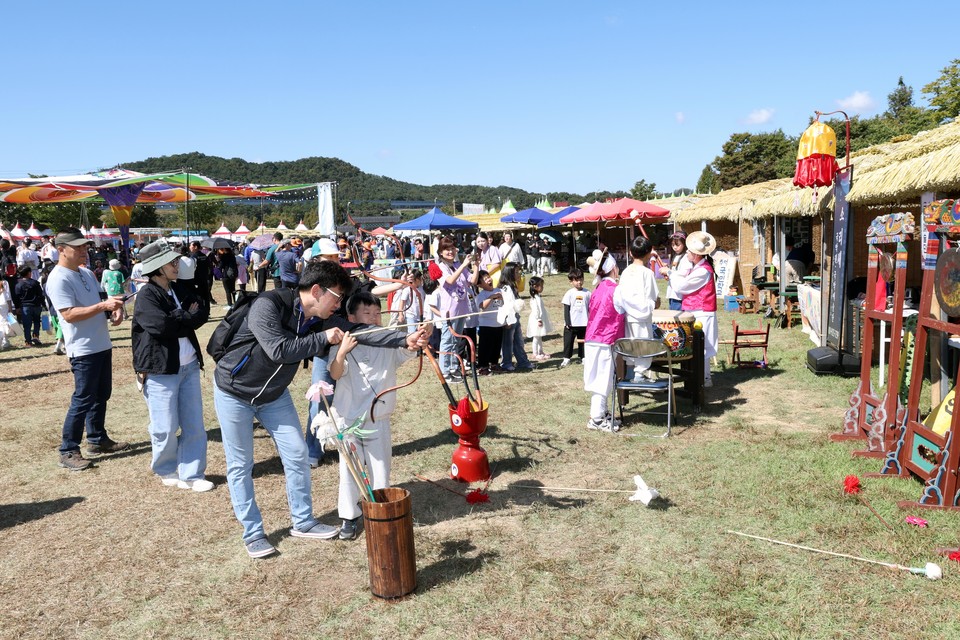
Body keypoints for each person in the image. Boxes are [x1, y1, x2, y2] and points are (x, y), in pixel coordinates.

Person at [213, 259, 426, 558]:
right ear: (316, 290)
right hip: (234, 393)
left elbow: (361, 332)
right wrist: (322, 338)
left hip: (274, 395)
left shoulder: (322, 318)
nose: (339, 306)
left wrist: (404, 338)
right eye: (337, 298)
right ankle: (253, 534)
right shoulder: (268, 305)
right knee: (240, 466)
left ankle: (302, 522)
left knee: (298, 454)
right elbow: (278, 349)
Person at [329, 291, 419, 540]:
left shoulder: (388, 340)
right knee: (350, 471)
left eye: (377, 313)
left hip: (378, 418)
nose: (373, 318)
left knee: (380, 469)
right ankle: (349, 516)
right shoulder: (343, 342)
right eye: (366, 313)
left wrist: (415, 340)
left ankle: (380, 512)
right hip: (348, 419)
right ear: (351, 318)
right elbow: (335, 373)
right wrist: (342, 351)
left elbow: (407, 349)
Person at [132, 240, 212, 491]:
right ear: (157, 268)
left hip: (188, 366)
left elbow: (202, 313)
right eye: (172, 262)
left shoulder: (178, 289)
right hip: (160, 369)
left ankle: (193, 473)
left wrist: (182, 317)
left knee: (194, 424)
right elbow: (161, 327)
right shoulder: (146, 296)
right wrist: (184, 316)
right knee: (165, 426)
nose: (177, 265)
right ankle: (166, 468)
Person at [46, 228, 128, 471]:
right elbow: (69, 314)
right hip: (82, 349)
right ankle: (68, 449)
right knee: (83, 399)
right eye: (78, 247)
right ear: (61, 249)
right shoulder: (58, 278)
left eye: (85, 246)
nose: (84, 251)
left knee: (101, 394)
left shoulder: (86, 273)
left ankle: (96, 438)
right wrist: (103, 305)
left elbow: (98, 301)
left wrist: (113, 310)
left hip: (101, 343)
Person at [666, 231, 718, 387]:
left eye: (689, 250)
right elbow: (683, 277)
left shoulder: (703, 270)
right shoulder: (698, 267)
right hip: (695, 312)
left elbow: (683, 286)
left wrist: (670, 273)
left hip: (702, 312)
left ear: (696, 254)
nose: (687, 252)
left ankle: (703, 380)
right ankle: (701, 379)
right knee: (698, 347)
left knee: (701, 348)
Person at [582, 249, 624, 432]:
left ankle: (602, 412)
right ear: (613, 268)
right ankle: (597, 418)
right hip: (605, 338)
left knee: (603, 377)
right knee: (603, 378)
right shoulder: (614, 289)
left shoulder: (598, 288)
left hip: (594, 337)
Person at [613, 237, 660, 383]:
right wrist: (656, 303)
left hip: (628, 315)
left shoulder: (626, 271)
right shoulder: (648, 273)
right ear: (648, 253)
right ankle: (639, 374)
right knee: (643, 345)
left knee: (631, 343)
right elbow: (654, 297)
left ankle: (630, 373)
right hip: (643, 315)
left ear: (631, 253)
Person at [435, 236, 478, 382]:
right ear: (441, 252)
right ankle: (444, 371)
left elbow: (472, 280)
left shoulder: (457, 264)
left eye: (453, 248)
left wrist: (476, 265)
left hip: (461, 307)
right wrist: (463, 265)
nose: (451, 251)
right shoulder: (440, 266)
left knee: (457, 340)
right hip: (449, 310)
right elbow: (450, 280)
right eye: (447, 249)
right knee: (447, 339)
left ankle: (454, 367)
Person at [498, 262, 533, 372]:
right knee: (508, 342)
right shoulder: (505, 288)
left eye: (519, 272)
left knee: (518, 341)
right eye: (516, 272)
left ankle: (523, 361)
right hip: (509, 317)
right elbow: (507, 305)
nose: (519, 274)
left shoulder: (512, 286)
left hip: (515, 316)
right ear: (509, 273)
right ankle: (506, 363)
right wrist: (508, 320)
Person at [559, 269, 590, 369]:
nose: (579, 282)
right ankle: (566, 358)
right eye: (576, 280)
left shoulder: (588, 293)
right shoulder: (569, 293)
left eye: (581, 279)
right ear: (571, 281)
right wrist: (568, 322)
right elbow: (566, 309)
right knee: (568, 342)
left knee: (583, 341)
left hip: (584, 323)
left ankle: (583, 357)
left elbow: (591, 307)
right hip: (572, 324)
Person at [474, 270, 503, 375]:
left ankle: (494, 363)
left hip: (498, 324)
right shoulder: (482, 294)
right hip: (486, 325)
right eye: (485, 279)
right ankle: (483, 366)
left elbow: (504, 304)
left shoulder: (498, 290)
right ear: (480, 284)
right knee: (485, 347)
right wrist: (491, 297)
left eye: (488, 277)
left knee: (496, 345)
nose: (489, 280)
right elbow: (483, 306)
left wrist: (501, 297)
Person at [14, 266, 46, 346]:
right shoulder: (35, 283)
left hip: (25, 307)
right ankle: (36, 335)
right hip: (36, 305)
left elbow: (16, 298)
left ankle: (28, 341)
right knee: (37, 322)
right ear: (29, 273)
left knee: (27, 325)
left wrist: (17, 307)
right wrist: (44, 304)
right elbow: (41, 295)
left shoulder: (18, 285)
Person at [526, 276, 552, 361]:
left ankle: (540, 352)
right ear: (535, 287)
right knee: (536, 337)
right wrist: (539, 319)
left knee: (539, 336)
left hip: (540, 318)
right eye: (541, 285)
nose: (543, 287)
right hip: (537, 320)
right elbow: (536, 310)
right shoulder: (534, 298)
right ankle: (535, 353)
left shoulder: (538, 296)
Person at [665, 231, 690, 310]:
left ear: (684, 244)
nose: (675, 247)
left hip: (679, 294)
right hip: (673, 292)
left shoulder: (686, 257)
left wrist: (668, 272)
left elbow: (684, 273)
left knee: (678, 319)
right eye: (673, 245)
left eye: (677, 245)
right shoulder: (676, 256)